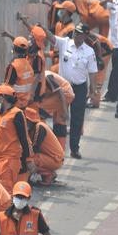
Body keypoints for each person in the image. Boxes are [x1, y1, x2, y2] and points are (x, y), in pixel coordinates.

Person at [43, 23, 98, 159]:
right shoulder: (65, 43)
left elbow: (92, 72)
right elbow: (51, 38)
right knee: (60, 117)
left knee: (77, 119)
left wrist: (92, 91)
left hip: (79, 87)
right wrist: (42, 28)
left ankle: (74, 149)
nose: (76, 35)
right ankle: (58, 149)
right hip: (63, 87)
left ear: (85, 35)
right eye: (75, 32)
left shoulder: (89, 52)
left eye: (79, 33)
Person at [24, 107, 65, 186]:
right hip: (53, 158)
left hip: (55, 159)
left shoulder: (39, 127)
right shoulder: (36, 127)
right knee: (30, 157)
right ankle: (47, 174)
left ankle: (48, 174)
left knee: (29, 159)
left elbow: (34, 148)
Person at [3, 36, 36, 109]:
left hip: (16, 105)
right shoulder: (28, 65)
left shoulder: (13, 66)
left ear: (13, 49)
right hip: (26, 104)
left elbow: (7, 89)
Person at [86, 32, 114, 108]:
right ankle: (91, 96)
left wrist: (99, 58)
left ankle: (95, 102)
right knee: (94, 74)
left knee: (99, 75)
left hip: (105, 50)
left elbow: (97, 43)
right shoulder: (82, 34)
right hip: (101, 49)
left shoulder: (86, 36)